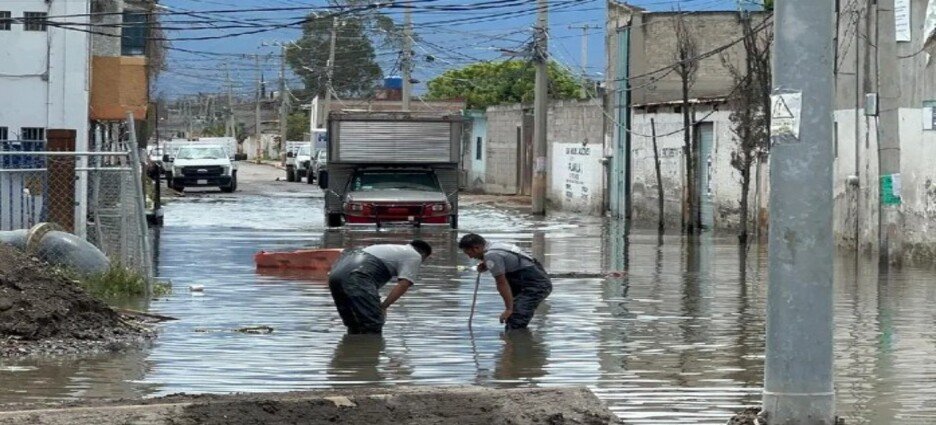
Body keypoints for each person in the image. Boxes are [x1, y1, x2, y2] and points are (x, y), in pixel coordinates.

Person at [328, 240, 432, 334]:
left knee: (354, 324)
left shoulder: (387, 248)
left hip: (336, 275)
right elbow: (404, 284)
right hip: (357, 277)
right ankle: (370, 352)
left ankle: (350, 352)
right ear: (423, 255)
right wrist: (383, 307)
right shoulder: (415, 255)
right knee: (373, 324)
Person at [458, 233, 552, 330]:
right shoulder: (494, 246)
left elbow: (501, 283)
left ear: (476, 248)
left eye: (469, 253)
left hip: (535, 286)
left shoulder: (491, 255)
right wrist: (486, 263)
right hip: (534, 278)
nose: (470, 257)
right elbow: (509, 259)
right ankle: (520, 342)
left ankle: (515, 341)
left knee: (515, 319)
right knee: (516, 316)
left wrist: (508, 309)